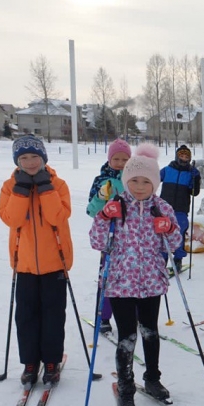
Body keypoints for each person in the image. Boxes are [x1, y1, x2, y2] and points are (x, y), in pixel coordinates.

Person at [89, 144, 182, 406]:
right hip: (120, 283)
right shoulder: (116, 205)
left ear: (154, 182)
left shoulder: (161, 207)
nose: (140, 187)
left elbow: (175, 244)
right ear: (125, 180)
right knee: (127, 336)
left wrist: (168, 228)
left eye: (146, 181)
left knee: (151, 332)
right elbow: (96, 242)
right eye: (134, 181)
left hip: (151, 281)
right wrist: (105, 217)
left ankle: (152, 378)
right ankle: (127, 389)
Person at [0, 135, 73, 385]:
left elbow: (58, 217)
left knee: (53, 315)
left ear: (43, 158)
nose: (30, 162)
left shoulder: (58, 184)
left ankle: (51, 361)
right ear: (17, 161)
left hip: (55, 263)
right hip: (25, 264)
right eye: (23, 158)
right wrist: (20, 192)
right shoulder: (9, 186)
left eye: (34, 156)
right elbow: (11, 219)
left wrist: (45, 188)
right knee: (26, 316)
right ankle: (30, 362)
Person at [87, 138, 131, 333]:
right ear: (109, 159)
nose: (121, 163)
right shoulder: (101, 180)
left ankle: (135, 313)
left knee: (133, 275)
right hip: (110, 237)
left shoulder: (134, 178)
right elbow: (91, 210)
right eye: (117, 159)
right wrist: (101, 197)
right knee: (108, 277)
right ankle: (103, 316)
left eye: (125, 159)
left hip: (132, 236)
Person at [158, 144, 201, 272]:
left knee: (179, 234)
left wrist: (196, 178)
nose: (183, 158)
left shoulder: (191, 174)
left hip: (181, 209)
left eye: (186, 156)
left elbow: (194, 192)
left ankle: (178, 259)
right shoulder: (167, 170)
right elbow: (153, 180)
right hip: (164, 208)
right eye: (181, 155)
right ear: (177, 156)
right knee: (163, 233)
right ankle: (162, 261)